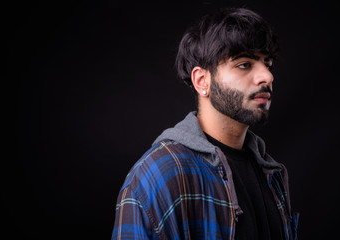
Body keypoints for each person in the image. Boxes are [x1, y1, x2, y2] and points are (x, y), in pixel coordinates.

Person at [112, 7, 299, 240]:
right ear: (202, 81)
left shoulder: (271, 173)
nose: (267, 76)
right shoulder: (159, 174)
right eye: (244, 64)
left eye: (267, 63)